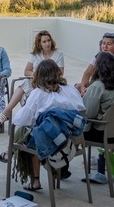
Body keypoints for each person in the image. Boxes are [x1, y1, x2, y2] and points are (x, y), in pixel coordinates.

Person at [12, 59, 85, 191]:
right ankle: (10, 152)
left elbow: (20, 119)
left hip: (51, 143)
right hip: (70, 139)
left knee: (29, 134)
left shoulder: (38, 93)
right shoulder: (70, 90)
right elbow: (81, 109)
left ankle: (35, 180)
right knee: (38, 131)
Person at [82, 51, 114, 184]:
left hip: (100, 133)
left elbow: (88, 114)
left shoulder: (97, 86)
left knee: (71, 130)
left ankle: (61, 170)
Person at [0, 30, 64, 127]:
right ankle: (8, 114)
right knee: (26, 83)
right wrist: (38, 75)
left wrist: (43, 76)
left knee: (25, 89)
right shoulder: (36, 54)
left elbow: (60, 73)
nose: (47, 43)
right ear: (39, 43)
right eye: (44, 42)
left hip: (51, 83)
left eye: (48, 40)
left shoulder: (58, 54)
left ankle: (7, 114)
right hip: (37, 82)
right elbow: (27, 71)